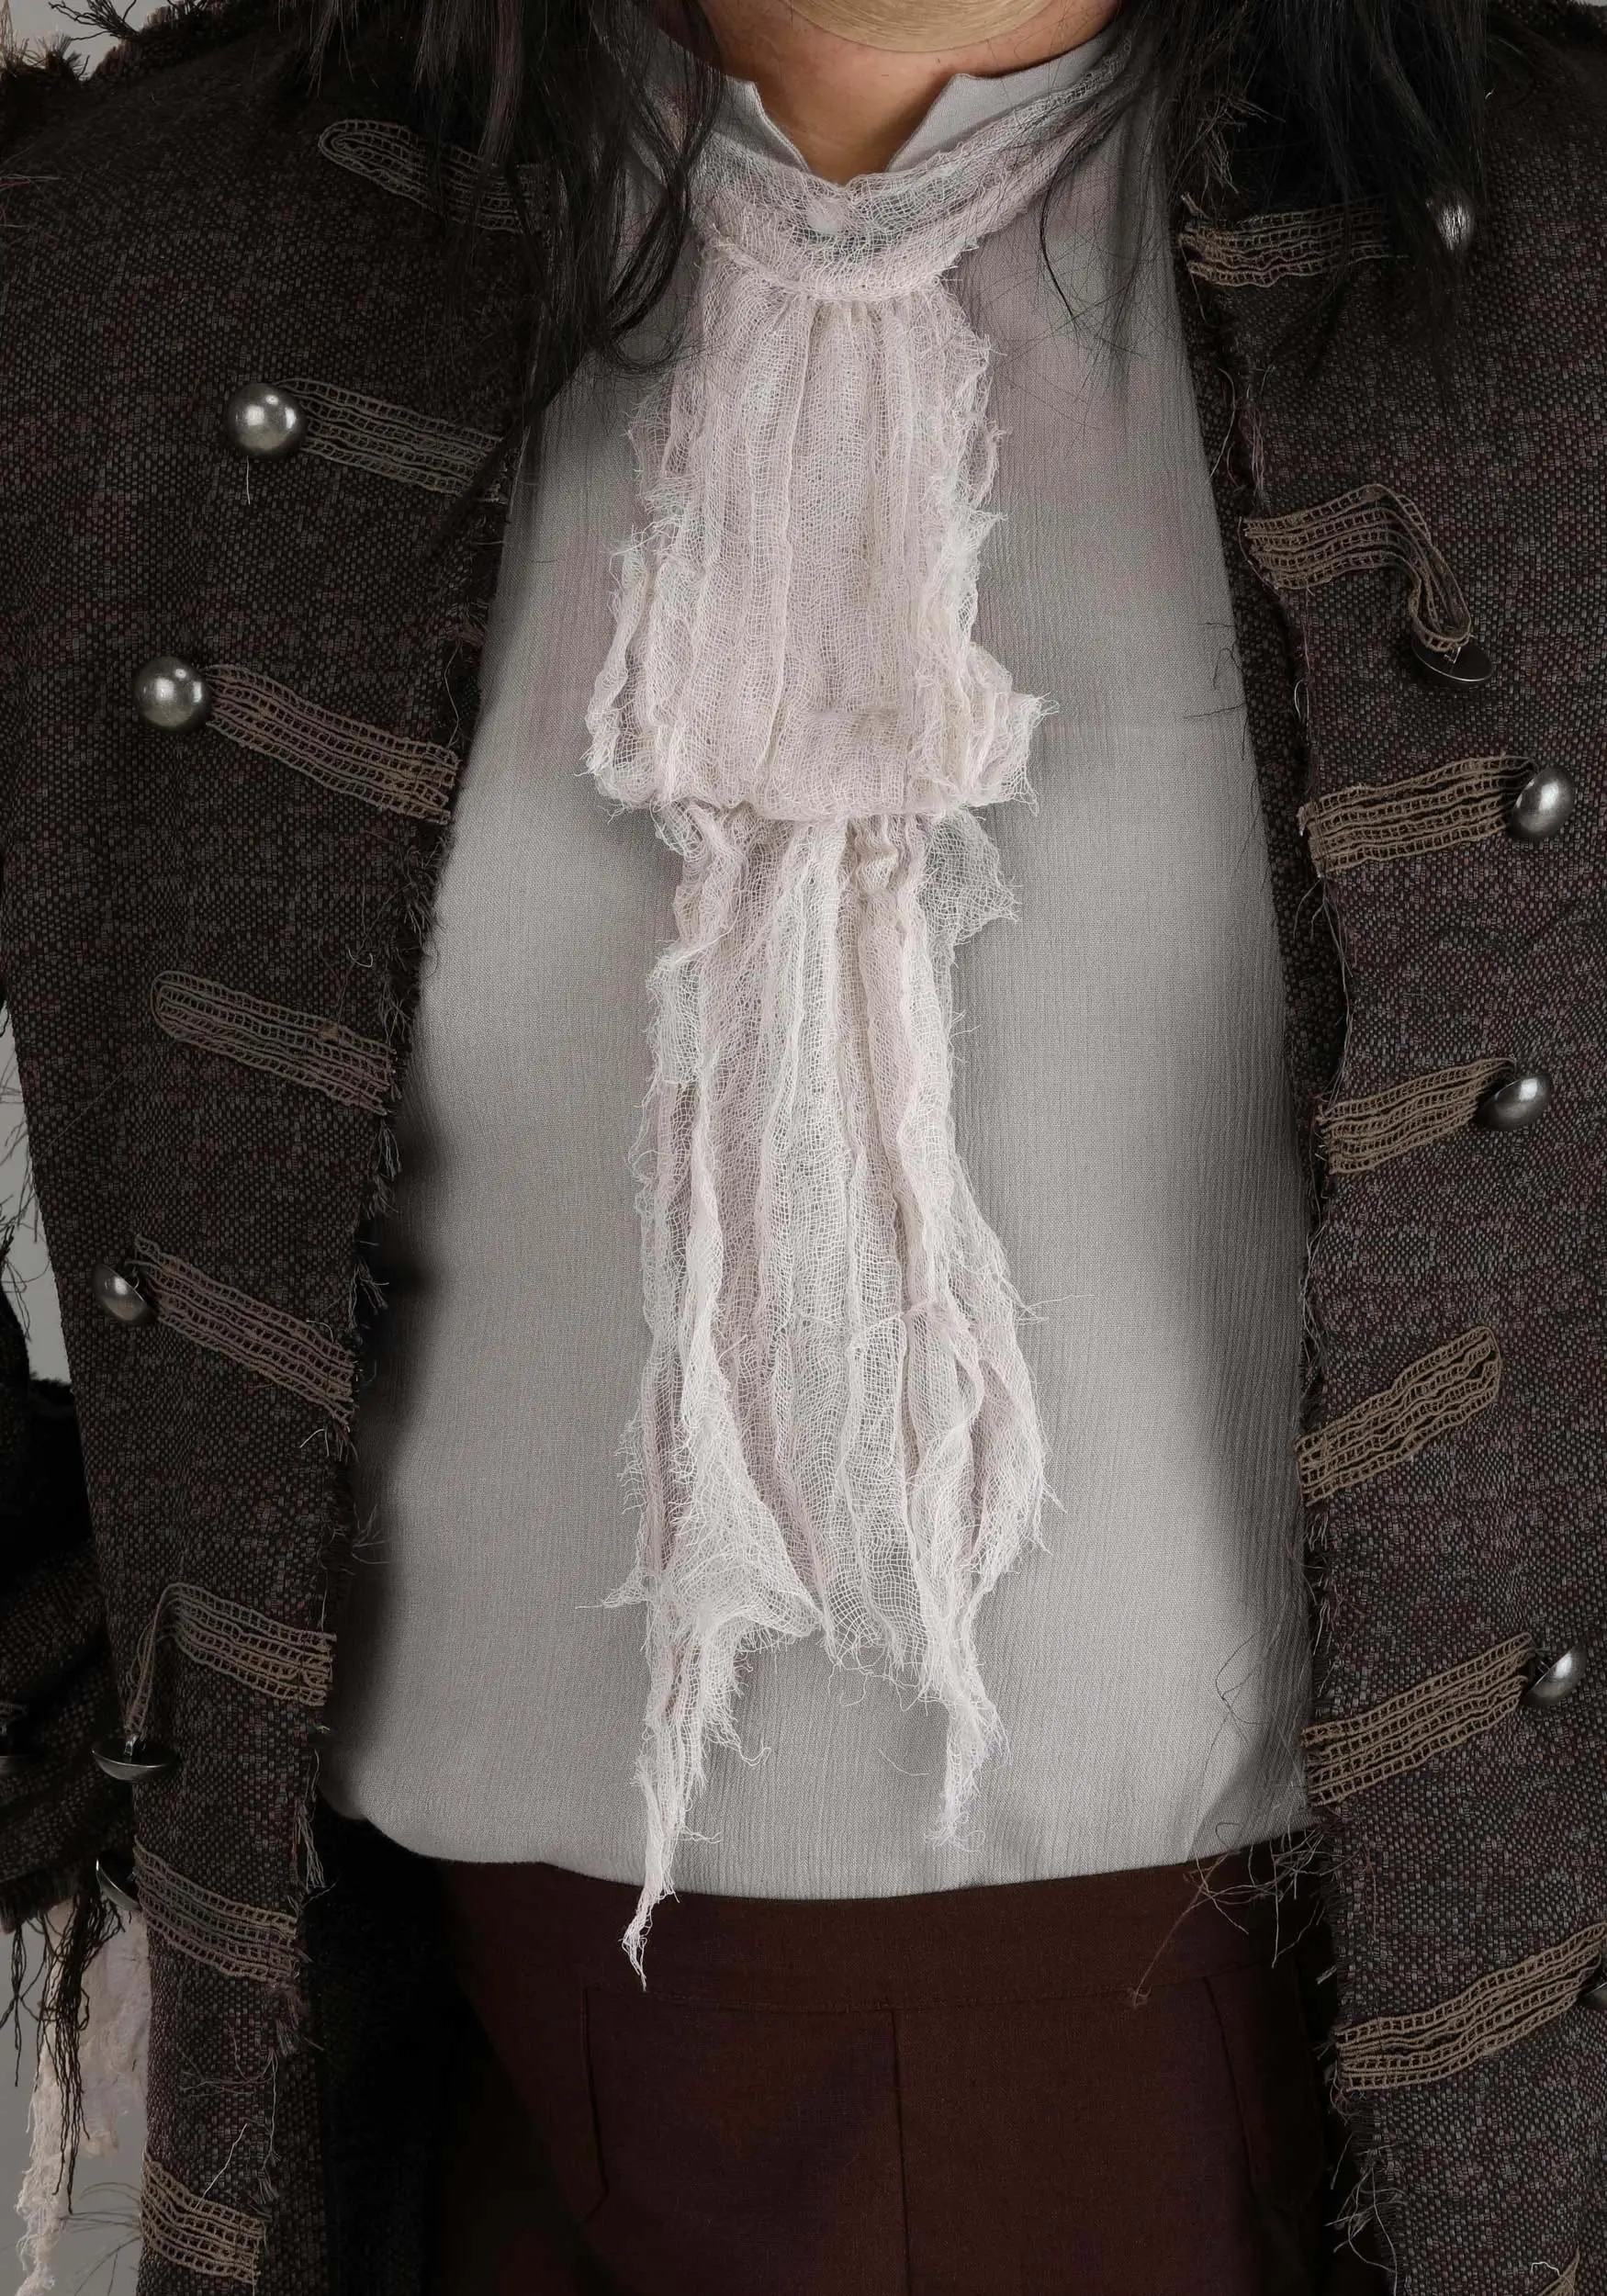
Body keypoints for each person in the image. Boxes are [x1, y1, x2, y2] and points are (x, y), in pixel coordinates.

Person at [0, 0, 1601, 2286]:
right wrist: (113, 1637)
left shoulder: (1547, 248)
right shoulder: (142, 255)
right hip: (445, 2079)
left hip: (1312, 2069)